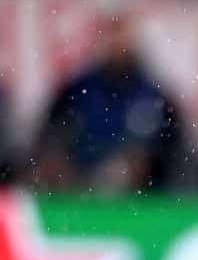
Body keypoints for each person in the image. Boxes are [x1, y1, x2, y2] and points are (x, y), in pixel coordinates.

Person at [28, 13, 184, 192]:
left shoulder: (154, 95)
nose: (116, 41)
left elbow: (173, 149)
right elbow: (50, 134)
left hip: (134, 189)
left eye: (121, 31)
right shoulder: (77, 89)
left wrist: (148, 167)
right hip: (80, 178)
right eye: (111, 31)